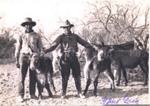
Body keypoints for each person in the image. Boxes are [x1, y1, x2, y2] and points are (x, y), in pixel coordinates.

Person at [43, 20, 94, 98]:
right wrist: (46, 50)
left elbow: (83, 42)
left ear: (70, 27)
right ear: (63, 29)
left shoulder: (75, 36)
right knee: (65, 76)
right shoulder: (61, 37)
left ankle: (79, 92)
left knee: (77, 75)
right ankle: (64, 93)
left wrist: (92, 47)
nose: (66, 29)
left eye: (67, 27)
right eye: (64, 28)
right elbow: (54, 45)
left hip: (74, 57)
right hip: (64, 58)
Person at [15, 17, 43, 102]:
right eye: (26, 24)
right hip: (23, 56)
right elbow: (18, 48)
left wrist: (38, 57)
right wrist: (16, 60)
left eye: (29, 24)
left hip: (33, 57)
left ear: (32, 25)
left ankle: (32, 94)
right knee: (21, 77)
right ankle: (20, 95)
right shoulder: (21, 35)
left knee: (33, 76)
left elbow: (40, 48)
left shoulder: (36, 35)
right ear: (24, 26)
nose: (28, 26)